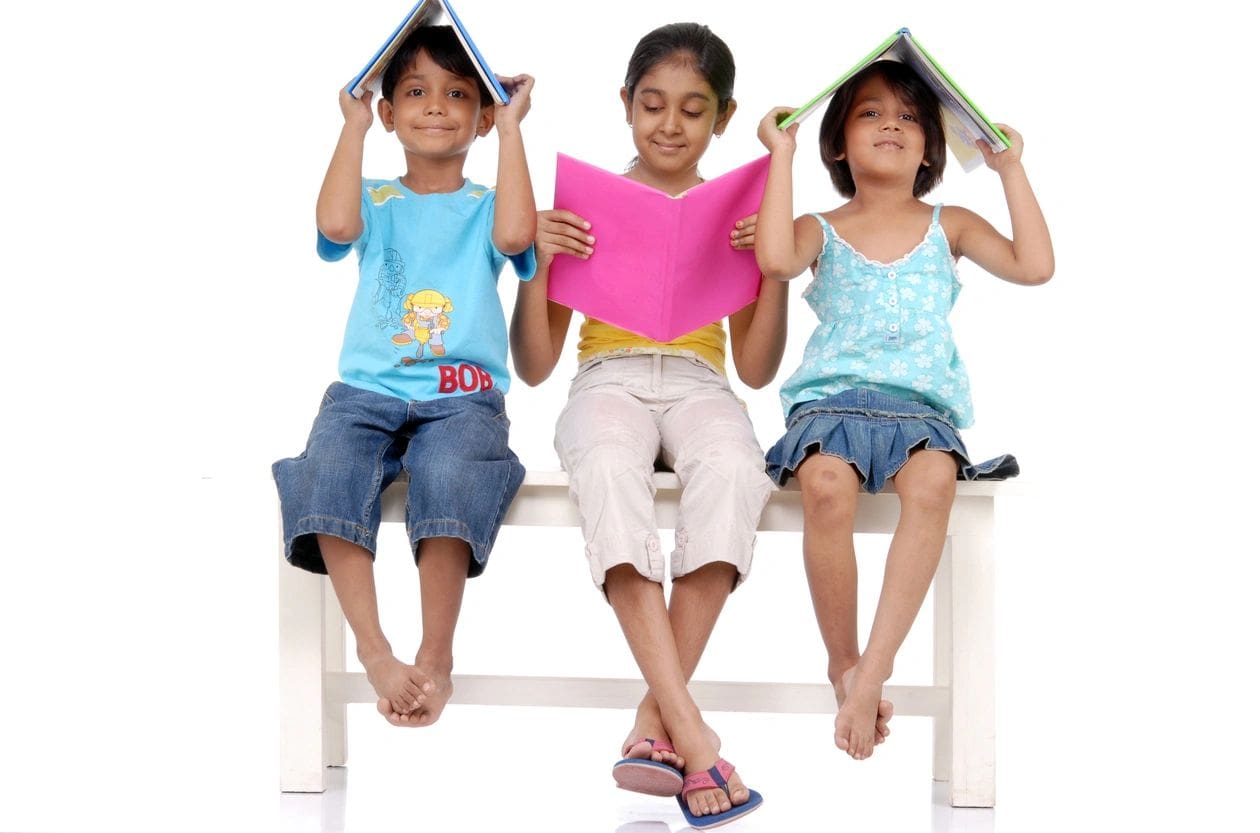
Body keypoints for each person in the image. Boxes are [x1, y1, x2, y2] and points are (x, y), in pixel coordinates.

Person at [510, 21, 781, 829]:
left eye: (693, 111)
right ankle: (690, 732)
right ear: (626, 105)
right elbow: (534, 362)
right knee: (604, 469)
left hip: (702, 381)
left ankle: (651, 726)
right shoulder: (586, 207)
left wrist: (768, 271)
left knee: (737, 469)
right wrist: (539, 263)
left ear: (723, 119)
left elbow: (759, 368)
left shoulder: (739, 209)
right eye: (653, 104)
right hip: (607, 379)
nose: (670, 124)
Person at [754, 59, 1053, 760]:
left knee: (935, 483)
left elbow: (1035, 265)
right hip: (831, 408)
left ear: (930, 149)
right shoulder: (817, 227)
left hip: (920, 416)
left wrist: (1010, 170)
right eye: (870, 112)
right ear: (837, 144)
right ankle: (843, 661)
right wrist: (781, 153)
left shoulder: (951, 224)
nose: (892, 123)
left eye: (910, 116)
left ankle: (875, 669)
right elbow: (772, 258)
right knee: (826, 485)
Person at [272, 25, 537, 728]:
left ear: (481, 116)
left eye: (458, 95)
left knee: (450, 475)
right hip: (369, 390)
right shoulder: (375, 197)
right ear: (390, 113)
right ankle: (375, 648)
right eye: (415, 92)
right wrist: (353, 127)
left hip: (461, 399)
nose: (436, 107)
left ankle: (436, 654)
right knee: (326, 466)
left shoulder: (487, 205)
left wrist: (512, 133)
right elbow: (331, 221)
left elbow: (516, 238)